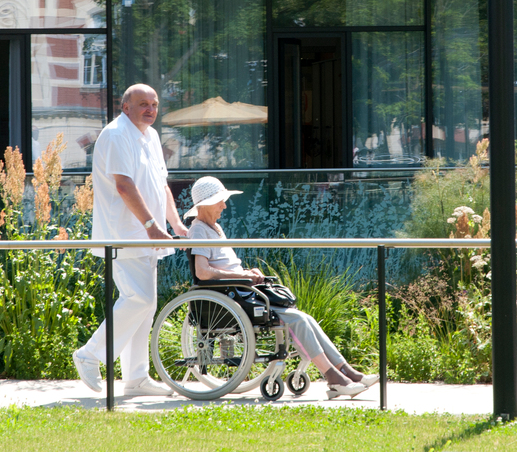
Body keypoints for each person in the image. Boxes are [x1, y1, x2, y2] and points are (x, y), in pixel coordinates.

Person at [183, 176, 379, 399]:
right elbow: (202, 272)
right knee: (298, 320)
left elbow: (223, 265)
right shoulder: (199, 230)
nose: (224, 206)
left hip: (241, 291)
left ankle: (347, 371)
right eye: (221, 201)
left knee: (305, 318)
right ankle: (333, 377)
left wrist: (248, 273)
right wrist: (243, 275)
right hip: (233, 296)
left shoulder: (214, 228)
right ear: (207, 203)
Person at [73, 83, 188, 396]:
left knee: (145, 306)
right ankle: (90, 354)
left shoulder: (150, 136)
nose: (150, 109)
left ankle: (136, 379)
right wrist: (152, 225)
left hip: (149, 234)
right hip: (124, 234)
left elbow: (161, 185)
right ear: (126, 107)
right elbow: (123, 186)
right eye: (142, 104)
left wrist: (175, 223)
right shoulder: (115, 134)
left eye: (154, 104)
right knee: (139, 299)